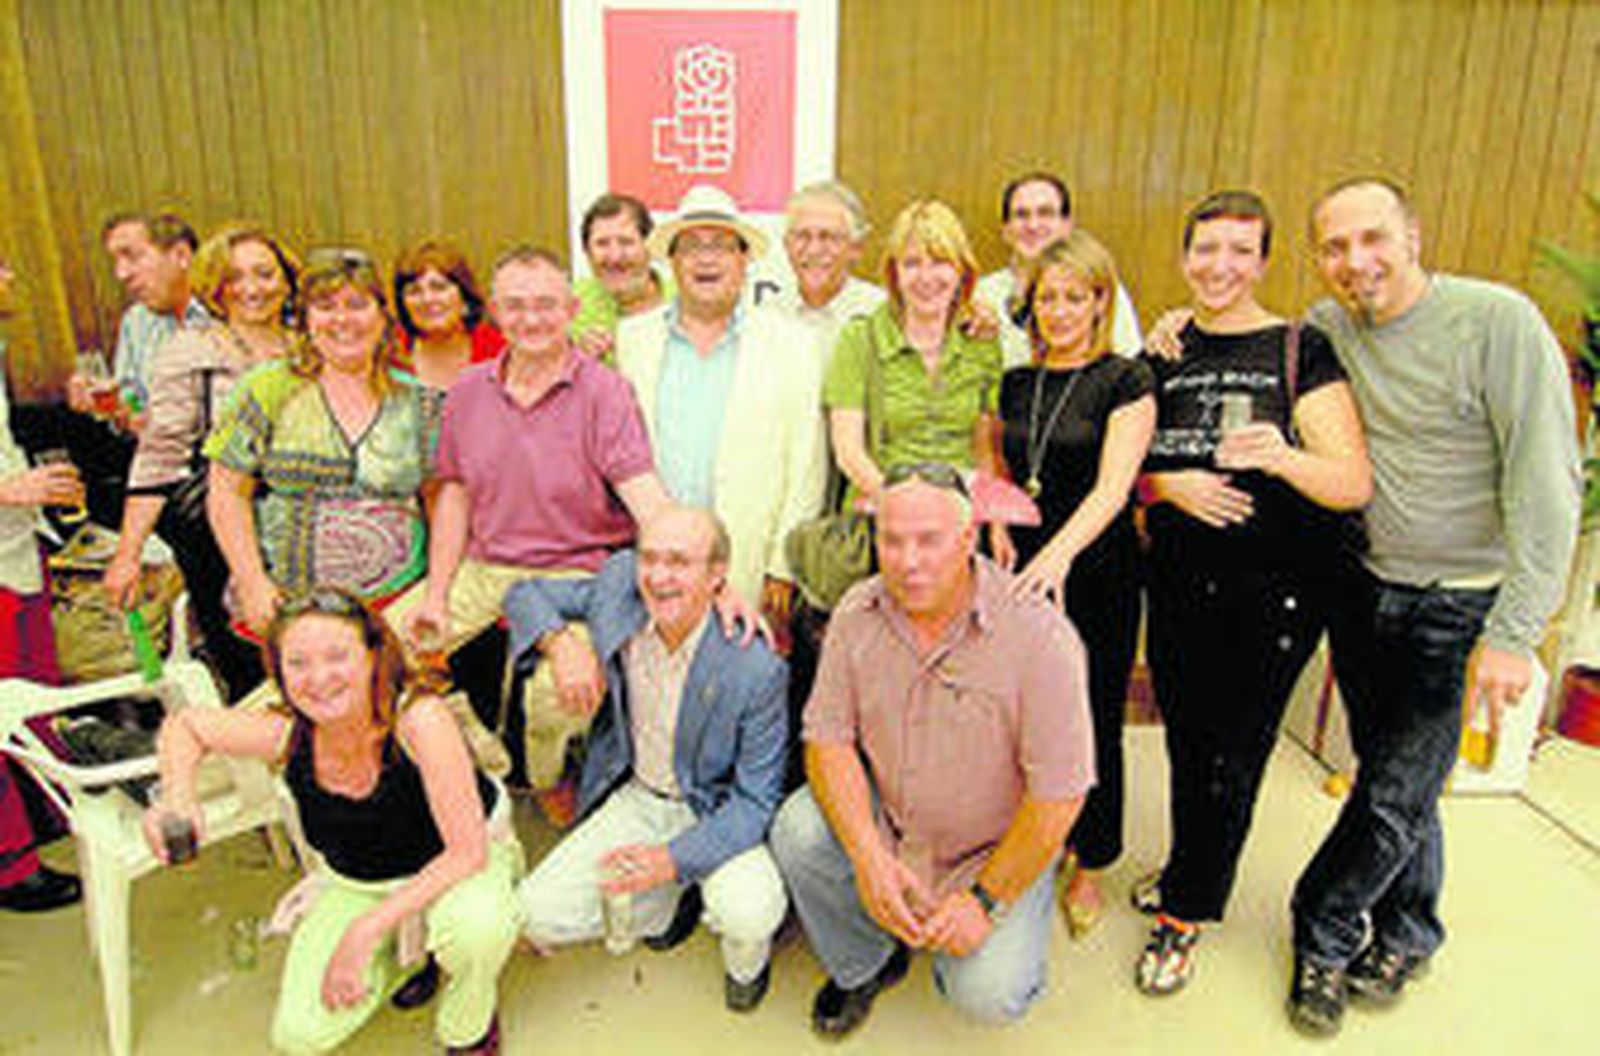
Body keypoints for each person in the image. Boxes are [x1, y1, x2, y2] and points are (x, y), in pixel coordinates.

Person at [1286, 178, 1580, 1035]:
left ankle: (1323, 931)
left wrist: (1515, 633)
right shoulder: (1330, 325)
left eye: (1373, 238)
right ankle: (1412, 930)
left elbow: (1548, 486)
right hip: (1368, 587)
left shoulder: (1498, 322)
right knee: (1399, 784)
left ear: (1413, 234)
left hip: (1460, 605)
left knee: (1390, 793)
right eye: (1335, 248)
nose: (1356, 262)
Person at [1133, 190, 1371, 997]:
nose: (1220, 266)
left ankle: (1185, 914)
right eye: (1206, 249)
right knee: (1186, 741)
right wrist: (1172, 486)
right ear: (1184, 256)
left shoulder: (1300, 349)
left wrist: (1280, 457)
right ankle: (1187, 866)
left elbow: (1350, 481)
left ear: (1264, 262)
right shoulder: (1161, 348)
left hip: (1272, 592)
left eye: (1240, 251)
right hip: (1174, 582)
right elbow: (1119, 470)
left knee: (1232, 753)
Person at [770, 464, 1094, 1037]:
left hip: (992, 848)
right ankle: (866, 962)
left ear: (968, 539)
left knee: (987, 993)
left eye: (929, 540)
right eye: (892, 540)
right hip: (894, 822)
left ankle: (992, 921)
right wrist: (869, 857)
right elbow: (828, 738)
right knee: (798, 831)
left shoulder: (1040, 637)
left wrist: (985, 902)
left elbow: (1059, 796)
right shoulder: (855, 613)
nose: (908, 560)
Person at [143, 588, 519, 1054]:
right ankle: (410, 958)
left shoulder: (420, 720)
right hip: (358, 882)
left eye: (337, 656)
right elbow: (187, 726)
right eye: (297, 663)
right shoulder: (287, 735)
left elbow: (468, 852)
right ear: (279, 673)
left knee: (476, 931)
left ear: (373, 657)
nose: (318, 679)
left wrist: (365, 931)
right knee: (298, 1036)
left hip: (455, 870)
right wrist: (179, 799)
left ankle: (470, 1023)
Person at [390, 246, 671, 808]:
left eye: (546, 305)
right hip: (484, 564)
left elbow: (646, 497)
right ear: (494, 311)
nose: (531, 319)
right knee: (375, 647)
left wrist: (691, 567)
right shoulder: (467, 392)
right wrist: (438, 594)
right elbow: (454, 497)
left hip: (576, 573)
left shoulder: (605, 392)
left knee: (558, 696)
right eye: (515, 306)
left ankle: (547, 781)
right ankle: (471, 742)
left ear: (570, 310)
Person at [509, 507, 789, 1012]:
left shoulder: (755, 667)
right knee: (533, 913)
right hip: (639, 795)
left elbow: (754, 803)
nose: (658, 577)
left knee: (749, 910)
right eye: (650, 558)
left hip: (715, 810)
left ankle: (745, 967)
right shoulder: (621, 591)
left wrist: (671, 859)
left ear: (717, 575)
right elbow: (525, 594)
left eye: (679, 562)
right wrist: (562, 644)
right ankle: (672, 904)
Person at [991, 231, 1155, 938]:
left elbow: (1114, 488)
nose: (1058, 311)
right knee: (1024, 713)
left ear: (1100, 301)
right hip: (1018, 565)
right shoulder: (1017, 382)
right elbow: (997, 464)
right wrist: (997, 523)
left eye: (1074, 297)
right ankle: (1040, 835)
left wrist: (1054, 558)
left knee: (1090, 713)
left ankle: (1091, 857)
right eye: (1046, 297)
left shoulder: (1127, 379)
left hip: (1094, 568)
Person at [614, 183, 826, 629]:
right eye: (691, 246)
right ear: (671, 261)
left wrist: (783, 565)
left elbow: (808, 462)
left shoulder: (794, 344)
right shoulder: (632, 339)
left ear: (744, 260)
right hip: (655, 561)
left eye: (722, 246)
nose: (706, 258)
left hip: (748, 561)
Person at [102, 223, 299, 700]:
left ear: (287, 280)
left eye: (265, 274)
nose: (252, 288)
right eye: (235, 278)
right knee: (252, 661)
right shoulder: (192, 351)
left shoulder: (312, 344)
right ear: (215, 286)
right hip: (223, 529)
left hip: (304, 526)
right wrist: (128, 554)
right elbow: (159, 456)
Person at [204, 247, 438, 637]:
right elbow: (227, 493)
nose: (342, 319)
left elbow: (440, 499)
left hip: (395, 608)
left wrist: (435, 593)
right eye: (326, 306)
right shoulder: (266, 389)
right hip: (287, 608)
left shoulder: (419, 402)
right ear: (306, 318)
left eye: (358, 304)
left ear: (382, 316)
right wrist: (253, 583)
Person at [0, 252, 85, 914]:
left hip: (17, 546)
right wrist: (11, 487)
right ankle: (12, 865)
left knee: (34, 692)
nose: (9, 278)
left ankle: (47, 809)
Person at [825, 200, 1003, 509]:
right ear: (894, 272)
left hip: (961, 521)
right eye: (912, 263)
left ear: (962, 271)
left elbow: (985, 450)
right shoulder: (859, 339)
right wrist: (905, 509)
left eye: (940, 262)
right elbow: (848, 453)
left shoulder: (982, 341)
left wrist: (995, 521)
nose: (926, 277)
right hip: (881, 518)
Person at [974, 172, 1142, 368]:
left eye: (1045, 213)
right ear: (1005, 229)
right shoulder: (981, 294)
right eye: (1021, 215)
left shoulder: (1101, 287)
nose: (1033, 225)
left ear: (1066, 225)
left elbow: (1128, 360)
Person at [770, 181, 886, 370]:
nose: (814, 250)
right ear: (786, 244)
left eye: (829, 237)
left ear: (856, 248)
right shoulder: (767, 319)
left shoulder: (882, 316)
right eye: (802, 236)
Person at [391, 240, 505, 390]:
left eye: (439, 288)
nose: (428, 299)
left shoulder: (500, 352)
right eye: (414, 291)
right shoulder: (388, 352)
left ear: (465, 298)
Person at [570, 193, 672, 355]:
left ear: (650, 247)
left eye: (626, 242)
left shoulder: (687, 298)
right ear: (587, 253)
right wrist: (576, 359)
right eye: (602, 243)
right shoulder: (565, 306)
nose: (615, 257)